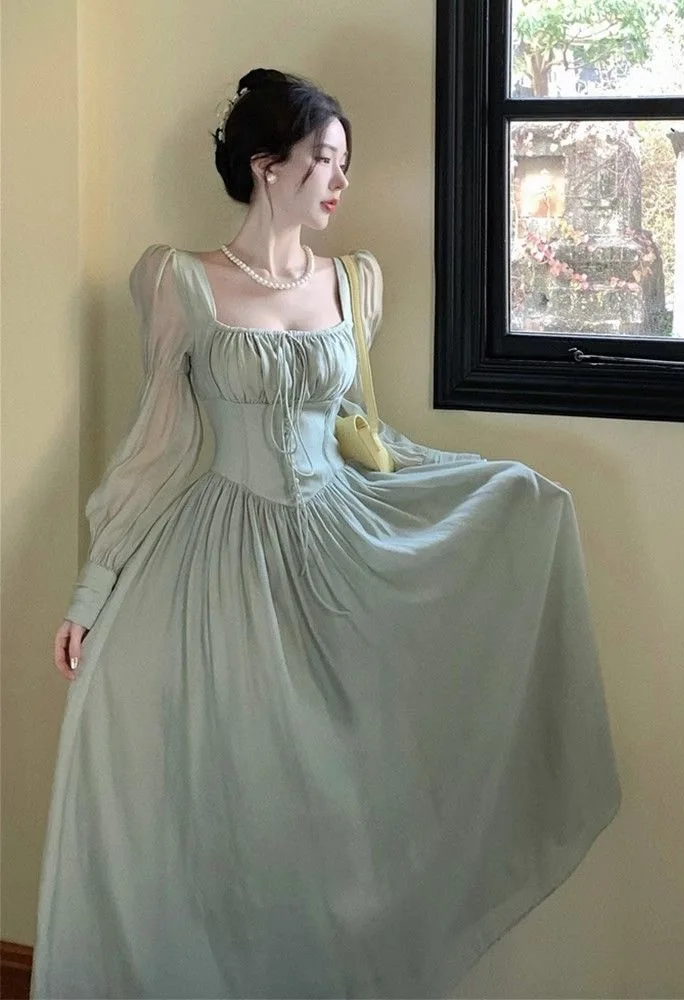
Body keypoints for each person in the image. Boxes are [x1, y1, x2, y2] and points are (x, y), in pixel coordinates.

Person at [32, 68, 620, 999]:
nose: (342, 181)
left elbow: (358, 432)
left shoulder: (355, 283)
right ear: (268, 165)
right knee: (221, 805)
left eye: (345, 163)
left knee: (336, 807)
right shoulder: (179, 280)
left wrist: (491, 487)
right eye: (326, 160)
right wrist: (92, 588)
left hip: (335, 547)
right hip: (217, 563)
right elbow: (158, 445)